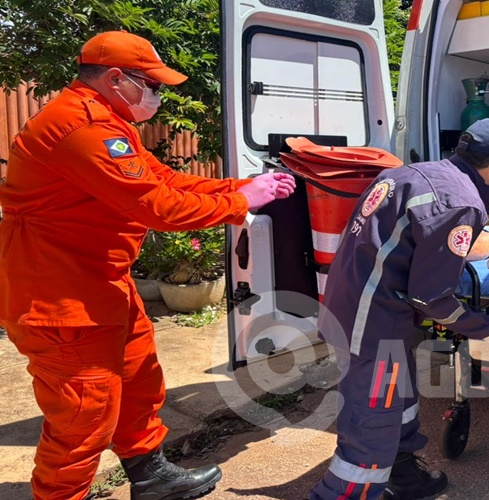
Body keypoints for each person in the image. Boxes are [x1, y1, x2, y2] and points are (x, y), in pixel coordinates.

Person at [0, 31, 296, 500]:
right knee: (84, 418)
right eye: (152, 85)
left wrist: (242, 187)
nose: (157, 95)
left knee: (139, 384)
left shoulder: (108, 121)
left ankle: (151, 476)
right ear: (117, 78)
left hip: (101, 284)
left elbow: (165, 179)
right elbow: (157, 207)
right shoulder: (82, 129)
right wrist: (240, 202)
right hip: (60, 298)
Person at [309, 118, 489, 500]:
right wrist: (487, 327)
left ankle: (402, 475)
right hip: (374, 319)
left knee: (398, 398)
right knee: (372, 423)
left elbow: (420, 249)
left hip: (355, 300)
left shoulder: (417, 174)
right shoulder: (460, 202)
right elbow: (430, 298)